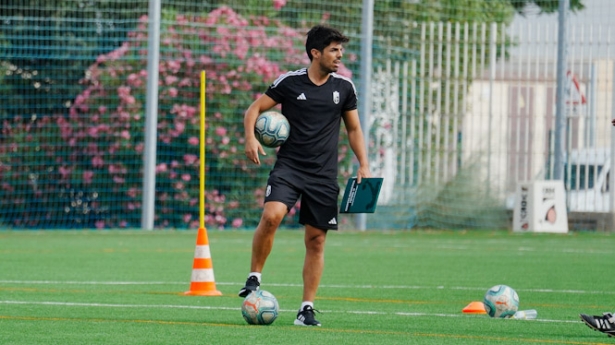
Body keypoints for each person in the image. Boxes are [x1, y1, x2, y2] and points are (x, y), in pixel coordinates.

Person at [239, 24, 371, 327]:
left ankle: (306, 309)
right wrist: (250, 137)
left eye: (341, 49)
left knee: (316, 241)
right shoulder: (290, 83)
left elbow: (353, 129)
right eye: (334, 50)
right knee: (271, 216)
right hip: (289, 168)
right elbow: (254, 110)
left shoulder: (344, 88)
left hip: (323, 176)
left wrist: (363, 163)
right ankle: (254, 276)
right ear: (315, 53)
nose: (340, 55)